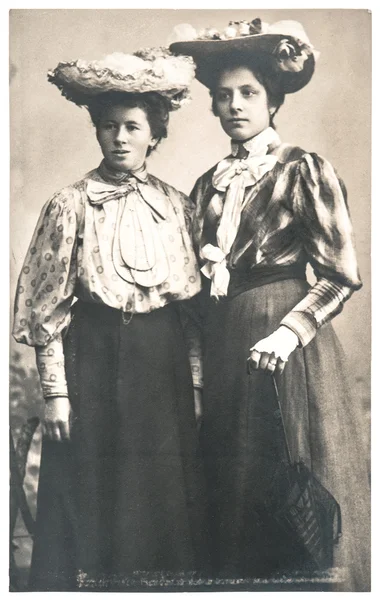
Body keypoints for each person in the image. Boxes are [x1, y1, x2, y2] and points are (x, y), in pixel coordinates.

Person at [170, 18, 370, 591]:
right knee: (234, 488)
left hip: (285, 343)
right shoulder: (207, 185)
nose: (235, 106)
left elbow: (339, 274)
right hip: (225, 344)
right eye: (223, 96)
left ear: (273, 99)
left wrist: (287, 333)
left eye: (248, 93)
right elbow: (195, 287)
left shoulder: (304, 169)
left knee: (290, 482)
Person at [12, 48, 210, 591]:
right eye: (107, 127)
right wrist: (56, 391)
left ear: (154, 134)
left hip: (163, 362)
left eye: (132, 127)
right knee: (93, 487)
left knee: (160, 491)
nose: (119, 138)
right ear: (96, 133)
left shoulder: (178, 206)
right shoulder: (70, 204)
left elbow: (193, 314)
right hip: (94, 358)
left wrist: (195, 383)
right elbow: (46, 304)